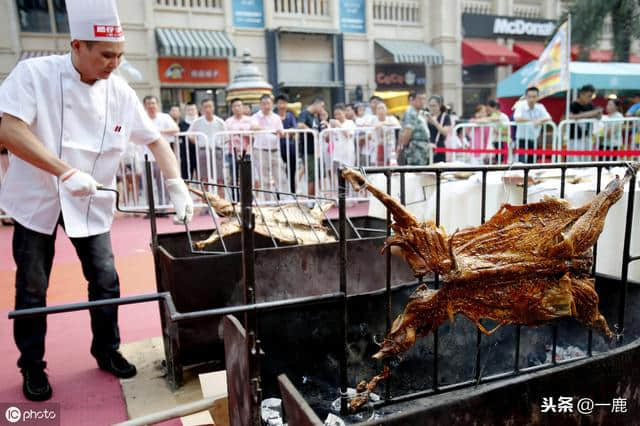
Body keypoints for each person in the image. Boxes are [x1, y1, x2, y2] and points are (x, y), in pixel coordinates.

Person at [0, 0, 193, 402]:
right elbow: (9, 129)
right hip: (38, 198)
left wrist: (176, 183)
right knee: (33, 288)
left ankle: (106, 348)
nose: (114, 63)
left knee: (106, 279)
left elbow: (155, 139)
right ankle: (32, 365)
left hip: (90, 202)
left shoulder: (120, 91)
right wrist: (64, 171)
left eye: (120, 55)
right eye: (106, 55)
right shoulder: (34, 74)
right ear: (77, 46)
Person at [143, 95, 179, 205]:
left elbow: (176, 129)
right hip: (145, 156)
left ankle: (163, 205)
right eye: (148, 104)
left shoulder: (165, 117)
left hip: (161, 157)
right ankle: (151, 207)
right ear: (144, 106)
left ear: (157, 105)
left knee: (162, 183)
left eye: (153, 103)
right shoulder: (142, 117)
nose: (151, 106)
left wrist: (160, 133)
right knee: (147, 184)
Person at [251, 94, 286, 196]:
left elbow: (281, 132)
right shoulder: (256, 116)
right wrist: (270, 130)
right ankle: (267, 203)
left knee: (280, 177)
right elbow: (254, 127)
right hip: (260, 150)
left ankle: (284, 201)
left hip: (275, 150)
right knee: (264, 178)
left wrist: (279, 132)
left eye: (268, 103)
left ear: (272, 104)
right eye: (264, 104)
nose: (266, 106)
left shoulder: (276, 117)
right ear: (260, 105)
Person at [187, 98, 226, 186]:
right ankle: (206, 199)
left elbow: (226, 138)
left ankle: (220, 199)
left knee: (219, 179)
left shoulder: (220, 122)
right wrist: (197, 143)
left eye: (210, 106)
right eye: (205, 107)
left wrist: (219, 144)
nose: (208, 109)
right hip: (203, 151)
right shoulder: (197, 122)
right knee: (204, 178)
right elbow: (190, 135)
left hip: (217, 150)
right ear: (202, 109)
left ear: (213, 108)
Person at [513, 86, 552, 163]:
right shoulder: (520, 105)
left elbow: (548, 117)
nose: (531, 99)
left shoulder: (540, 107)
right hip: (521, 138)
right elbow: (517, 118)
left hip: (533, 139)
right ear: (526, 97)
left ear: (538, 97)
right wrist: (533, 121)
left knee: (532, 162)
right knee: (521, 162)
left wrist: (539, 120)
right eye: (529, 96)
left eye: (534, 97)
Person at [297, 96, 326, 195]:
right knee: (311, 176)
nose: (322, 109)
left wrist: (324, 120)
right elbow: (300, 125)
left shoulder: (316, 116)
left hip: (317, 151)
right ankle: (311, 200)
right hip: (308, 150)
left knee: (320, 175)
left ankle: (322, 197)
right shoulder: (304, 113)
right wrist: (311, 131)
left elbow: (320, 131)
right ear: (316, 104)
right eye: (321, 107)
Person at [568, 84, 602, 161]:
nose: (590, 98)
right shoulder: (573, 105)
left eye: (592, 96)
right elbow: (570, 116)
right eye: (588, 96)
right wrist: (591, 113)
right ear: (581, 94)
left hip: (587, 137)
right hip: (574, 138)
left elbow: (598, 116)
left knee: (587, 160)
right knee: (574, 161)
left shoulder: (590, 105)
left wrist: (598, 113)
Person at [224, 98, 254, 184]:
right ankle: (235, 197)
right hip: (232, 153)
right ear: (232, 108)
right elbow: (225, 137)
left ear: (243, 107)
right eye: (234, 106)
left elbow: (253, 135)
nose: (237, 108)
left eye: (239, 106)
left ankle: (247, 197)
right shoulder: (228, 121)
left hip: (246, 153)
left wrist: (243, 133)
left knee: (247, 177)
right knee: (234, 177)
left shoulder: (250, 120)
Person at [398, 92, 430, 165]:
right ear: (412, 100)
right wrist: (403, 147)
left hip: (422, 149)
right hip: (415, 149)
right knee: (416, 173)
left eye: (424, 99)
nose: (422, 101)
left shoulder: (419, 113)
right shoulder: (411, 112)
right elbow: (408, 131)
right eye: (420, 99)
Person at [275, 94, 298, 193]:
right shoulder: (274, 116)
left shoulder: (290, 116)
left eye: (284, 103)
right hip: (276, 148)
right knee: (277, 173)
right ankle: (278, 195)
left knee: (291, 172)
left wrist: (284, 133)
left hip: (290, 147)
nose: (282, 105)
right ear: (276, 104)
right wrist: (286, 133)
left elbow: (294, 130)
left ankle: (293, 193)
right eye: (280, 103)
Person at [328, 104, 357, 179]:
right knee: (336, 174)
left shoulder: (350, 123)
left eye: (339, 114)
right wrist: (328, 129)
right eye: (335, 115)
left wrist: (339, 125)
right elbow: (327, 139)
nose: (337, 116)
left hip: (347, 154)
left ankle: (349, 190)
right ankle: (339, 190)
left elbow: (348, 135)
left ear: (344, 113)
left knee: (349, 175)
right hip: (336, 155)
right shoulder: (334, 124)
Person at [169, 105, 196, 179]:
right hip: (185, 154)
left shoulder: (199, 122)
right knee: (186, 176)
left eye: (193, 109)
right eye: (189, 110)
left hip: (198, 153)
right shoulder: (181, 125)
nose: (191, 111)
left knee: (201, 176)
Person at [482, 99, 511, 163]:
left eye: (488, 109)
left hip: (503, 142)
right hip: (496, 143)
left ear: (494, 107)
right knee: (497, 162)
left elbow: (506, 133)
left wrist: (497, 131)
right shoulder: (494, 116)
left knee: (502, 163)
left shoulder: (503, 117)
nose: (488, 111)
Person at [425, 95, 451, 164]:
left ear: (439, 105)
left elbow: (445, 132)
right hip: (427, 146)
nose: (432, 108)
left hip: (439, 146)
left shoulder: (445, 116)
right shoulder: (426, 116)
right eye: (430, 106)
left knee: (439, 169)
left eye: (434, 105)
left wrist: (435, 122)